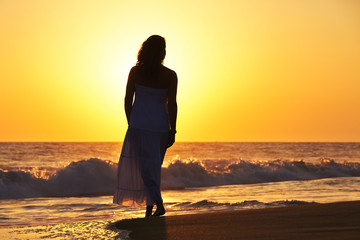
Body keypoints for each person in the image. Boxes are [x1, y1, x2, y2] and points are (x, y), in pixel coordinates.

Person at [113, 35, 178, 217]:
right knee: (153, 168)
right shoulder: (170, 75)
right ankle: (152, 209)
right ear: (160, 52)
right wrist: (173, 129)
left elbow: (127, 100)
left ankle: (157, 206)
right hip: (160, 127)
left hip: (139, 125)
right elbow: (172, 104)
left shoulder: (135, 71)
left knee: (145, 169)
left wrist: (131, 121)